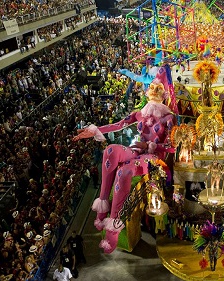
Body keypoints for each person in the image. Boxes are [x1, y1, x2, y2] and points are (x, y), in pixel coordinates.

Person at [73, 76, 175, 253]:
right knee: (111, 150)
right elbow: (118, 125)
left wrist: (151, 145)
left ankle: (112, 231)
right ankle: (101, 208)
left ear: (164, 95)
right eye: (152, 88)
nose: (154, 91)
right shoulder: (139, 113)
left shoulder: (169, 118)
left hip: (153, 157)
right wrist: (94, 130)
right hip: (136, 150)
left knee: (124, 172)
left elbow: (172, 147)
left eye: (158, 89)